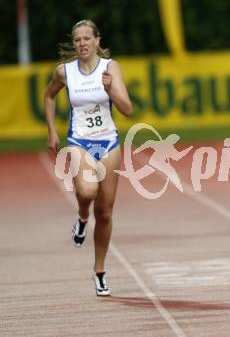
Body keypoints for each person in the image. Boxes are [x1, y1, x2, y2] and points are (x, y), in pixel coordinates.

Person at [44, 19, 133, 296]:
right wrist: (51, 131)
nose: (81, 43)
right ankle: (82, 217)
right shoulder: (65, 72)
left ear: (97, 41)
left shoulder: (110, 67)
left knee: (105, 213)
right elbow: (49, 97)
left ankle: (100, 271)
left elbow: (127, 108)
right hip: (79, 141)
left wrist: (111, 89)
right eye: (77, 39)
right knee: (87, 190)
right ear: (74, 44)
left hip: (108, 143)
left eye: (86, 38)